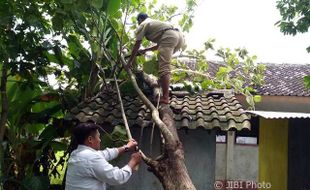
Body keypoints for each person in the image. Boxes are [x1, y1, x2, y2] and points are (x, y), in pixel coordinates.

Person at [127, 12, 185, 104]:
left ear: (140, 20)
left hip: (170, 36)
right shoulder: (154, 23)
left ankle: (165, 97)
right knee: (162, 63)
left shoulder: (143, 24)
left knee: (164, 67)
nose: (138, 24)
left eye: (138, 22)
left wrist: (130, 62)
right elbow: (160, 44)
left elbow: (137, 44)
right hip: (179, 37)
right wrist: (146, 50)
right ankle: (160, 82)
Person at [65, 122, 142, 190]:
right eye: (98, 137)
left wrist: (126, 147)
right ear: (90, 139)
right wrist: (133, 161)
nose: (100, 140)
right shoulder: (91, 158)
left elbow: (106, 154)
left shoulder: (76, 153)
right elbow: (118, 177)